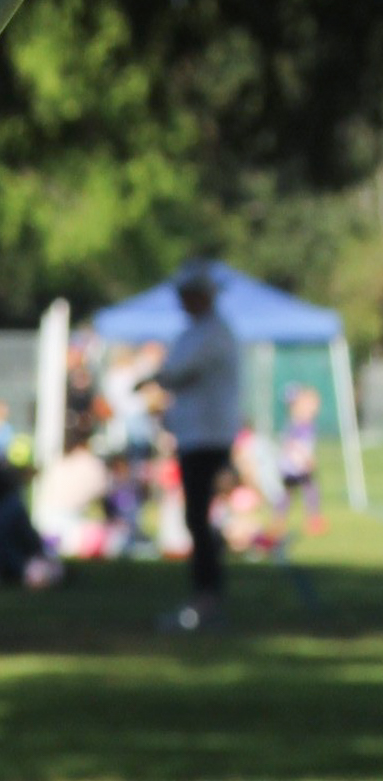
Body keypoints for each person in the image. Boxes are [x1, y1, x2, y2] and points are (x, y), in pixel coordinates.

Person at [143, 260, 241, 632]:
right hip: (195, 436)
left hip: (207, 438)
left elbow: (178, 372)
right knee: (196, 518)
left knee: (199, 517)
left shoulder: (212, 333)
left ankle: (207, 597)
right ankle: (206, 593)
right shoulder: (196, 331)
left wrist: (153, 379)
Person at [279, 381, 325, 532]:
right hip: (295, 464)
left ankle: (311, 519)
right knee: (298, 490)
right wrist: (305, 458)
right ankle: (281, 520)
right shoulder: (297, 422)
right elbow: (291, 443)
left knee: (306, 489)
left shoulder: (304, 422)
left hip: (297, 462)